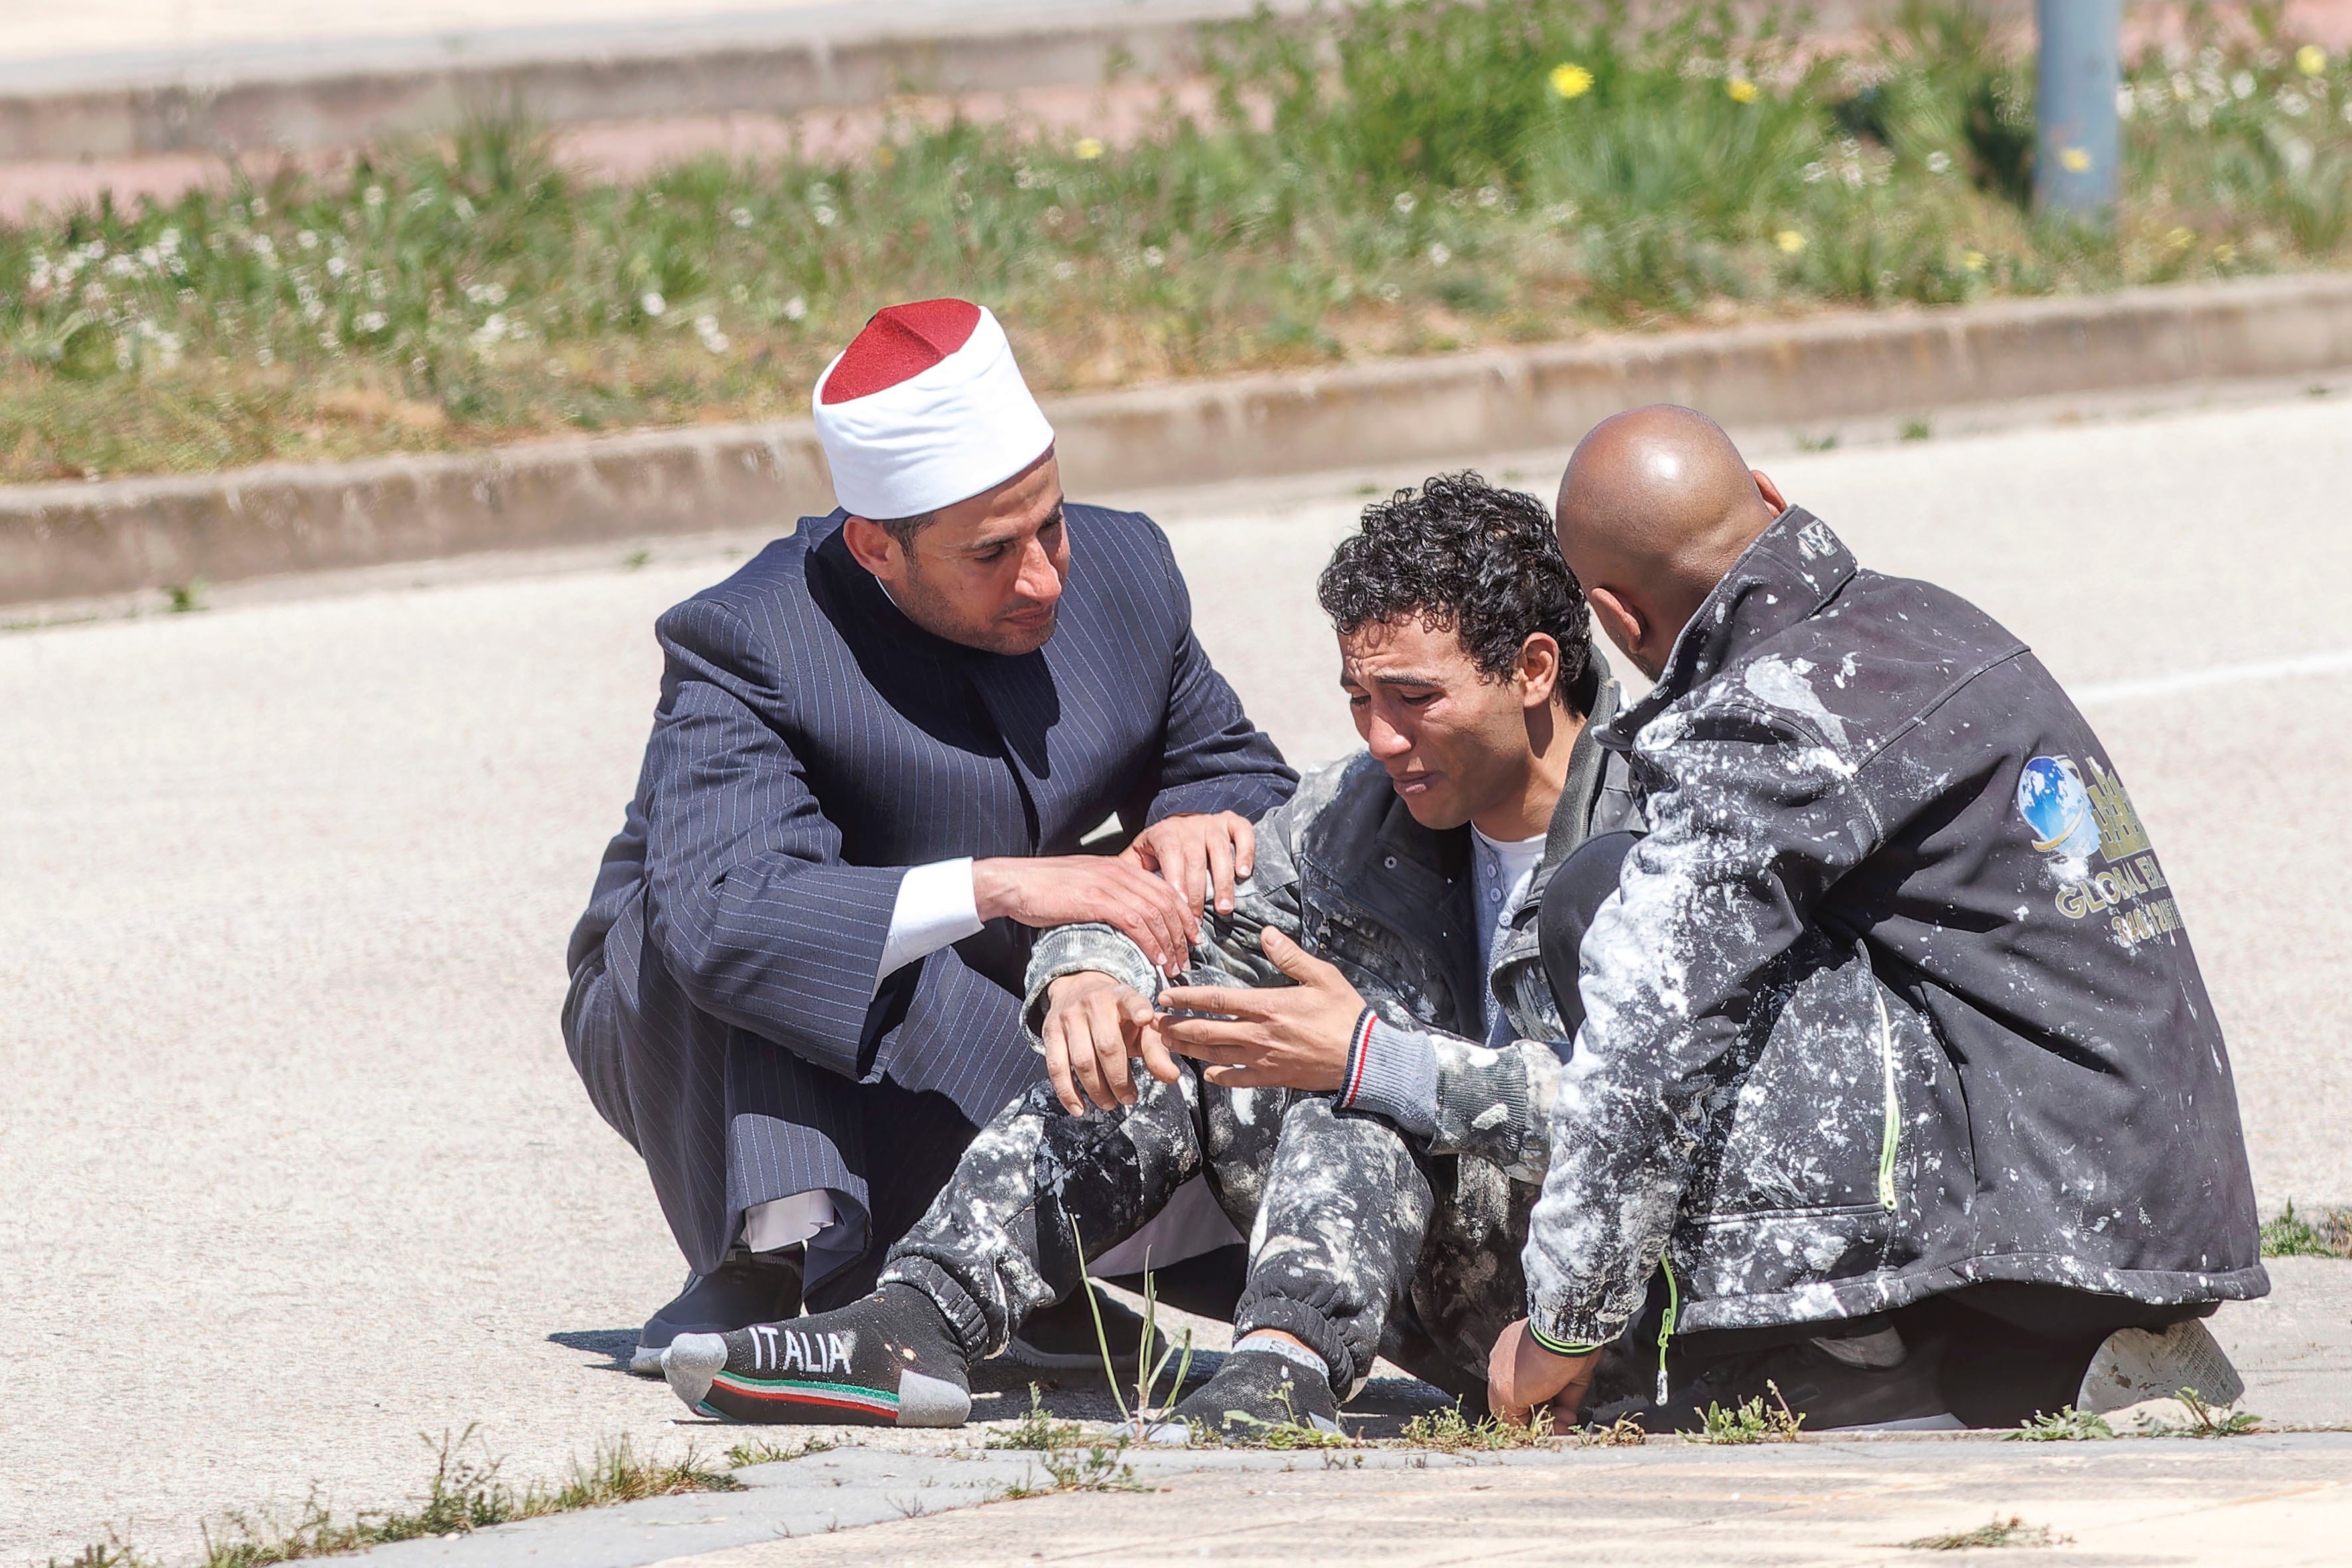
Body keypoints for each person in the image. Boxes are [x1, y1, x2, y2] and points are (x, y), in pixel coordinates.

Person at [657, 472, 1642, 1430]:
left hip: (1609, 1326)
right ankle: (918, 1319)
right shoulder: (1364, 813)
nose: (1381, 737)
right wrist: (1088, 971)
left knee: (1353, 1071)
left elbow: (1658, 1119)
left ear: (1535, 670)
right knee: (1174, 1019)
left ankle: (1279, 1374)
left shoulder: (1660, 828)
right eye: (1358, 699)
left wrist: (1379, 1060)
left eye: (1414, 698)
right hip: (1452, 1303)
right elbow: (1173, 910)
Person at [1487, 405, 2266, 1432]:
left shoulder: (1767, 706)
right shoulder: (1929, 619)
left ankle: (1828, 1351)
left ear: (1617, 621)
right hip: (2148, 1208)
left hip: (2055, 1227)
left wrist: (1564, 1326)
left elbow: (1651, 1028)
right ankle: (2051, 1355)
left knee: (1604, 898)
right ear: (1770, 495)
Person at [563, 298, 1296, 1376]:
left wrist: (1198, 816)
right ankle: (778, 1254)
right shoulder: (749, 640)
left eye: (1050, 523)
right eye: (993, 552)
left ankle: (1016, 1280)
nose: (1045, 574)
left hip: (987, 1006)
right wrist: (1003, 886)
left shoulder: (1127, 570)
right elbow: (720, 916)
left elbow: (1236, 770)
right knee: (759, 929)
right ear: (878, 548)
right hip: (702, 1028)